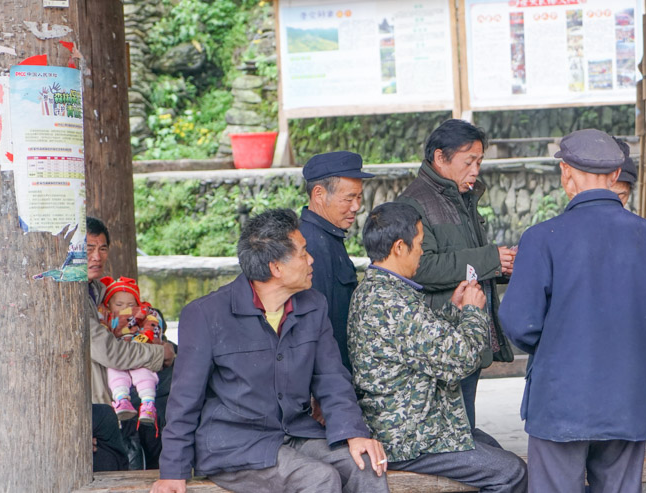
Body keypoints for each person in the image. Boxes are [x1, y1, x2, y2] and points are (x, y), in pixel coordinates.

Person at [499, 128, 646, 493]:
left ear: (565, 173)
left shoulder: (541, 237)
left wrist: (556, 346)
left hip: (559, 399)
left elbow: (518, 321)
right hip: (628, 397)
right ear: (617, 175)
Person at [152, 209, 387, 493]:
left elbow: (332, 378)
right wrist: (173, 471)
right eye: (303, 254)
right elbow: (184, 399)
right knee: (319, 478)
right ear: (276, 268)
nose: (311, 260)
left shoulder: (313, 305)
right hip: (236, 446)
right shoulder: (206, 314)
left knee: (368, 466)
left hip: (295, 433)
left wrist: (353, 433)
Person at [348, 202, 527, 492]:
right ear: (398, 248)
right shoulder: (391, 302)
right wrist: (472, 311)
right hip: (410, 439)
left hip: (414, 426)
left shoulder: (376, 289)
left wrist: (454, 309)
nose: (422, 251)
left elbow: (420, 344)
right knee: (511, 472)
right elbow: (461, 360)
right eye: (418, 244)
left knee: (492, 448)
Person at [397, 119, 515, 432]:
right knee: (456, 433)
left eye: (479, 161)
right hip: (441, 338)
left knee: (464, 426)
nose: (476, 170)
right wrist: (490, 258)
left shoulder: (462, 197)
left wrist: (500, 267)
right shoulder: (414, 202)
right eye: (469, 162)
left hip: (466, 330)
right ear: (440, 158)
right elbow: (420, 267)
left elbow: (467, 259)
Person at [87, 217, 176, 469]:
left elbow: (144, 311)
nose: (96, 256)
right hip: (101, 397)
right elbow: (111, 353)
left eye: (102, 248)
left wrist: (153, 326)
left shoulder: (100, 290)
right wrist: (159, 354)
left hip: (119, 386)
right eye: (88, 248)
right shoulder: (73, 297)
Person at [300, 150, 374, 372]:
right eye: (348, 198)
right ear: (319, 194)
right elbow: (312, 328)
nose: (356, 207)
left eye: (359, 197)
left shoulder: (330, 236)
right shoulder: (310, 245)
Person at [98, 276, 166, 425]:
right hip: (118, 353)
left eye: (131, 304)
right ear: (108, 304)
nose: (125, 308)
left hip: (138, 349)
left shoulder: (143, 313)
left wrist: (144, 338)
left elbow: (153, 324)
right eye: (119, 304)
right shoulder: (105, 316)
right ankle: (122, 400)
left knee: (144, 373)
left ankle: (148, 404)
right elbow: (99, 331)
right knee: (114, 371)